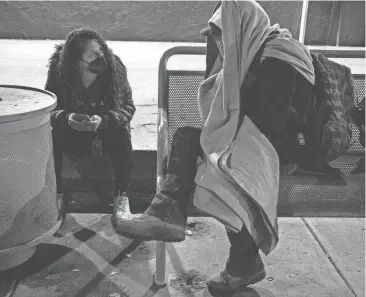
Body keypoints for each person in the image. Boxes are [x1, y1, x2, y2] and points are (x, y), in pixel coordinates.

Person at [112, 1, 316, 296]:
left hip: (282, 149)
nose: (220, 42)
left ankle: (241, 262)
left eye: (223, 34)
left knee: (217, 175)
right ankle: (167, 212)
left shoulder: (278, 56)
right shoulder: (250, 50)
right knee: (187, 138)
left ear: (241, 27)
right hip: (252, 140)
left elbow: (273, 122)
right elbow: (222, 111)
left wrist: (226, 133)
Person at [45, 28, 135, 220]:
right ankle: (58, 195)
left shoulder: (115, 68)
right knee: (50, 136)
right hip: (72, 131)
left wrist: (103, 120)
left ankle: (121, 195)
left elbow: (127, 107)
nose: (101, 56)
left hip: (103, 130)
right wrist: (66, 118)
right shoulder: (58, 69)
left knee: (123, 132)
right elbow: (49, 107)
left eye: (101, 50)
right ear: (77, 60)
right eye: (93, 54)